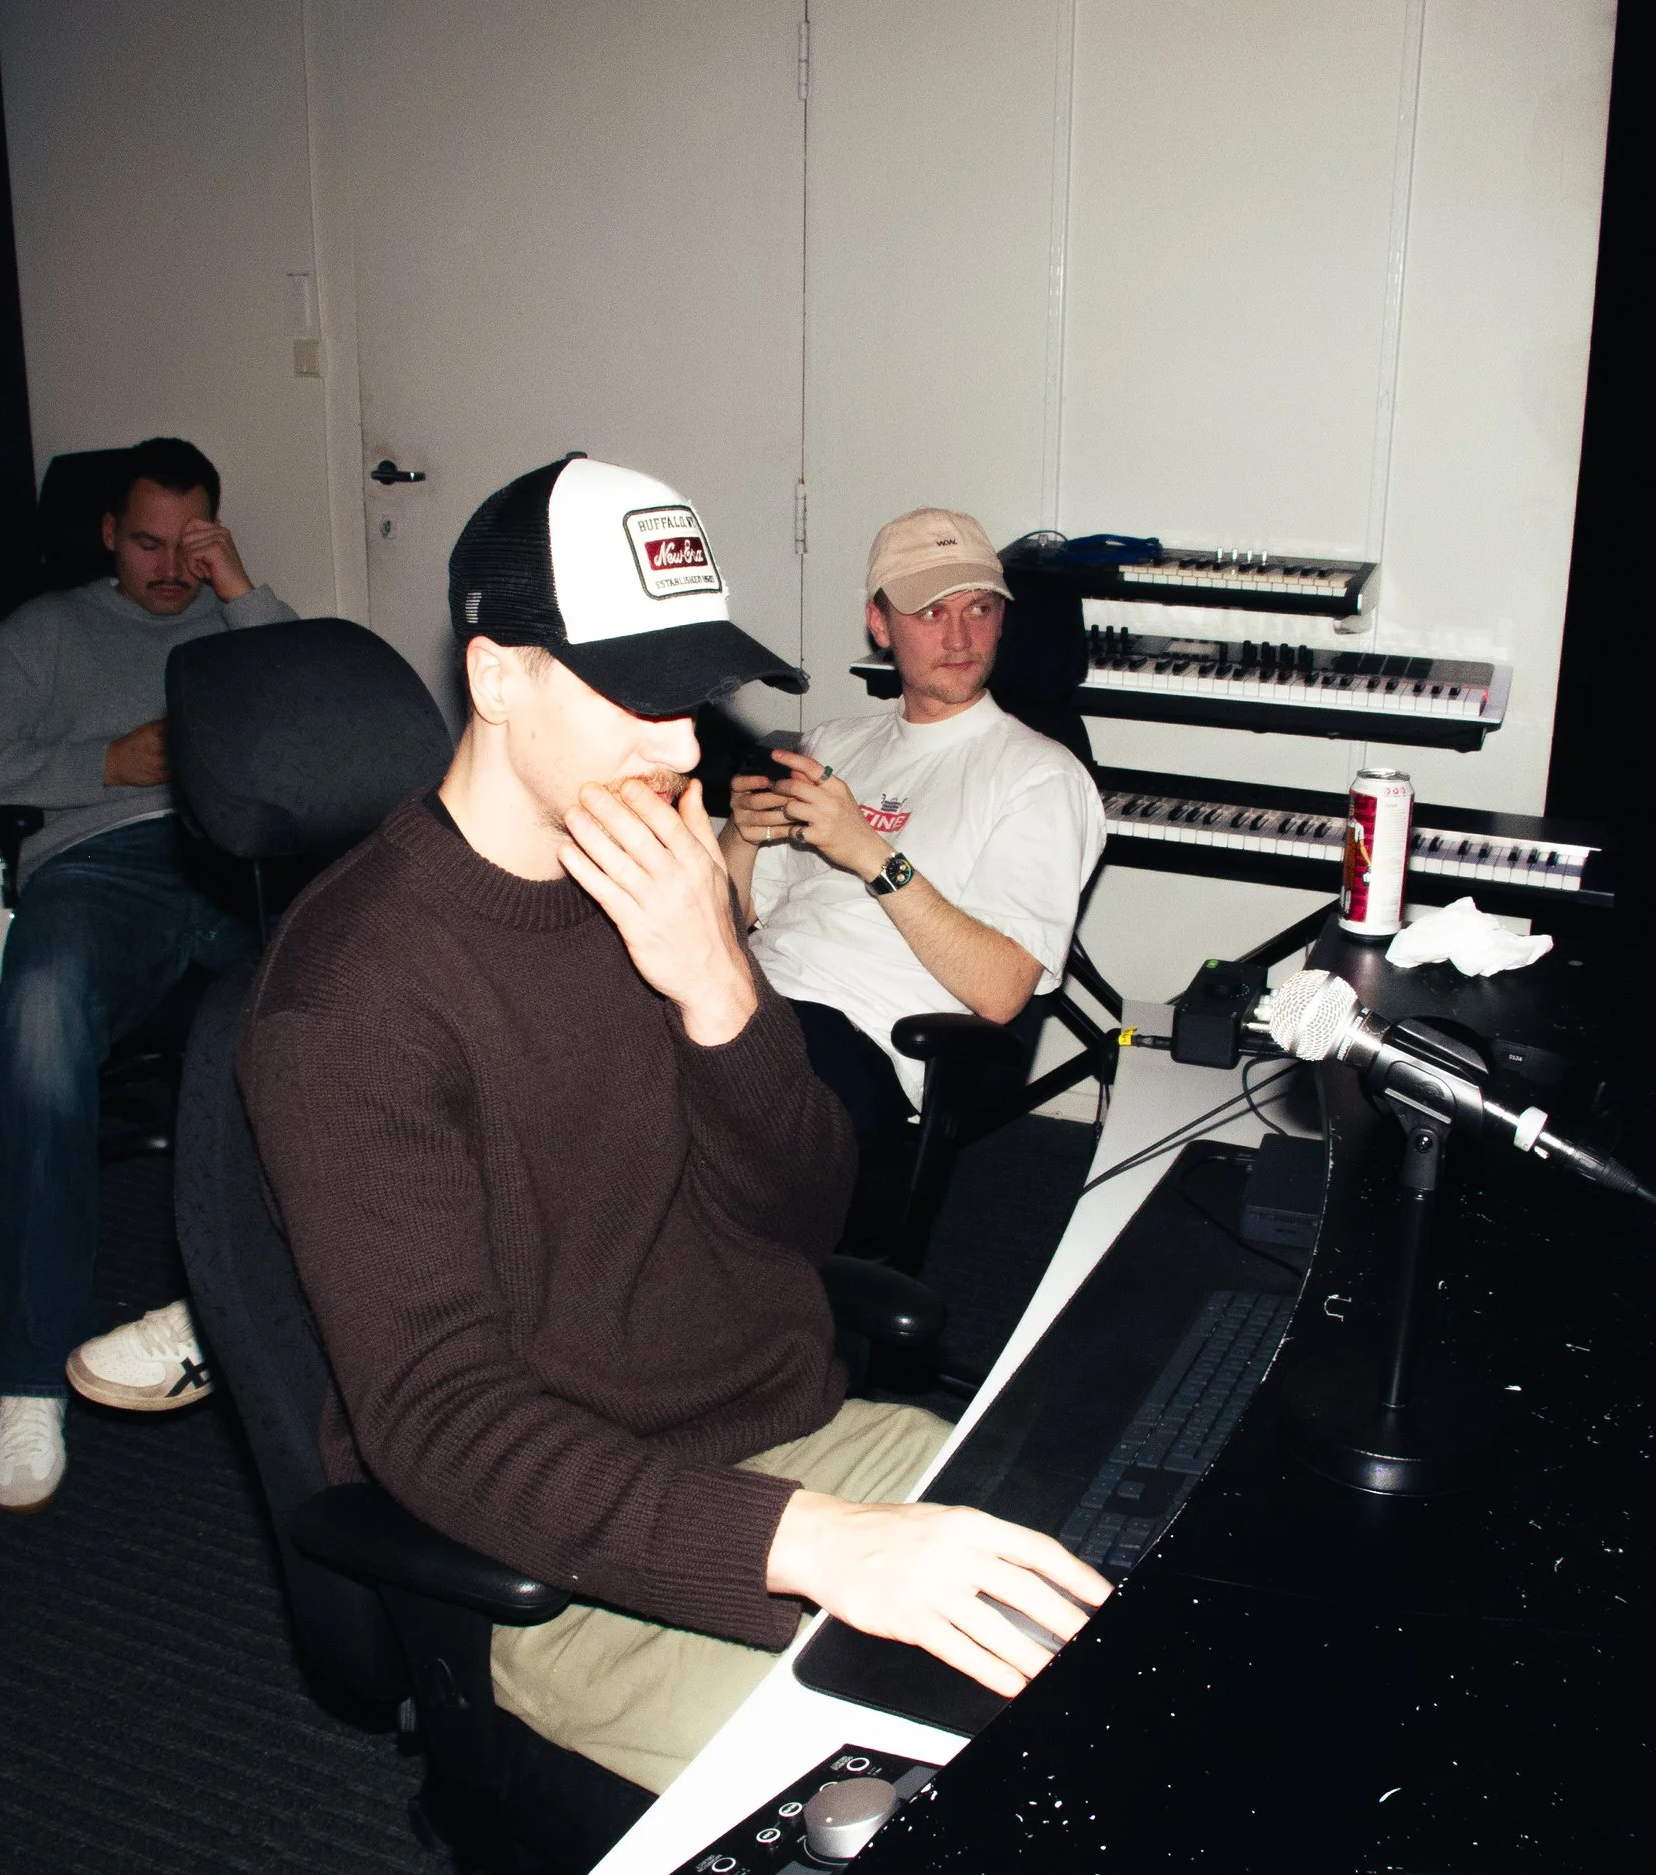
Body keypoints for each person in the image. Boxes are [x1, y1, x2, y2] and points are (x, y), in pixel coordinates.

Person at [240, 456, 1108, 1800]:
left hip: (787, 1433)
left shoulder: (647, 869)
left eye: (690, 691)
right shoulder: (352, 994)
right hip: (575, 1550)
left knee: (1143, 1589)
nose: (684, 744)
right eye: (635, 695)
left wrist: (719, 988)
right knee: (1004, 1778)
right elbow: (441, 1421)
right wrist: (819, 1543)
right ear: (498, 677)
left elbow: (806, 1214)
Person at [0, 436, 296, 1511]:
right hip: (98, 871)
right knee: (36, 1023)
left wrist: (243, 591)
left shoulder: (239, 621)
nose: (169, 568)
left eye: (194, 545)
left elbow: (323, 717)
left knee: (348, 996)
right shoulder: (47, 633)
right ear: (105, 535)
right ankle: (33, 1376)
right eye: (146, 543)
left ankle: (306, 1308)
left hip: (237, 862)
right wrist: (101, 765)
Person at [721, 507, 1106, 1160]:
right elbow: (731, 920)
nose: (960, 635)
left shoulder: (1043, 776)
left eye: (979, 608)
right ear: (880, 624)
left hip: (859, 1039)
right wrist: (741, 836)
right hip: (752, 998)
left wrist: (871, 853)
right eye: (931, 612)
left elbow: (1002, 989)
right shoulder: (834, 744)